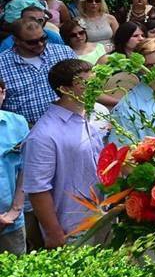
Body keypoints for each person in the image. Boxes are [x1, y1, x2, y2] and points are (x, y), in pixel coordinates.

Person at [22, 59, 109, 248]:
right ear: (65, 89)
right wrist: (54, 233)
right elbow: (37, 190)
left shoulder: (96, 115)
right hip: (73, 229)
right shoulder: (44, 134)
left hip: (103, 217)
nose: (95, 87)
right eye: (86, 84)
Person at [0, 18, 76, 124]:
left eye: (43, 38)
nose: (40, 44)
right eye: (32, 42)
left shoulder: (64, 52)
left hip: (66, 123)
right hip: (24, 130)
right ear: (16, 40)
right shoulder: (2, 63)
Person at [0, 80, 29, 255]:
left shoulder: (17, 123)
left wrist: (14, 211)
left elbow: (26, 169)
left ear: (3, 93)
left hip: (11, 221)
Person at [0, 5, 65, 53]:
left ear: (45, 21)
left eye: (40, 20)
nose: (35, 23)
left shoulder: (54, 36)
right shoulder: (7, 44)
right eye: (31, 19)